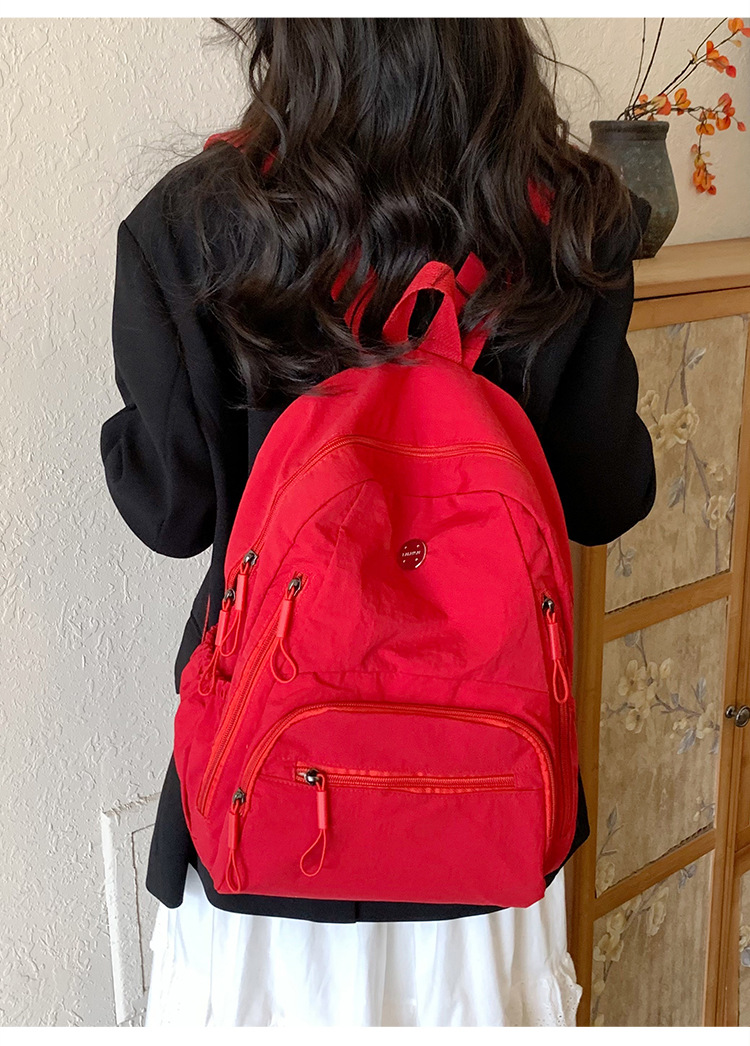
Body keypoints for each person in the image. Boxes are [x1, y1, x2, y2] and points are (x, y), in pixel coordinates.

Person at [100, 18, 656, 1027]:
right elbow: (604, 497)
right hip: (487, 810)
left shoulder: (195, 221)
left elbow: (172, 511)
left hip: (268, 803)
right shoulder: (572, 219)